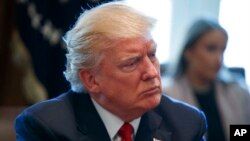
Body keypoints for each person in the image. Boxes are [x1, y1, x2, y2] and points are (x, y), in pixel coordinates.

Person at [15, 1, 207, 141]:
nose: (151, 72)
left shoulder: (186, 123)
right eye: (131, 63)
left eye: (152, 55)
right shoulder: (45, 127)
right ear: (91, 79)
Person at [164, 18, 250, 141]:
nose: (219, 59)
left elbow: (243, 134)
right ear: (188, 51)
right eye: (211, 49)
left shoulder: (237, 91)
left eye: (222, 50)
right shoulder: (167, 95)